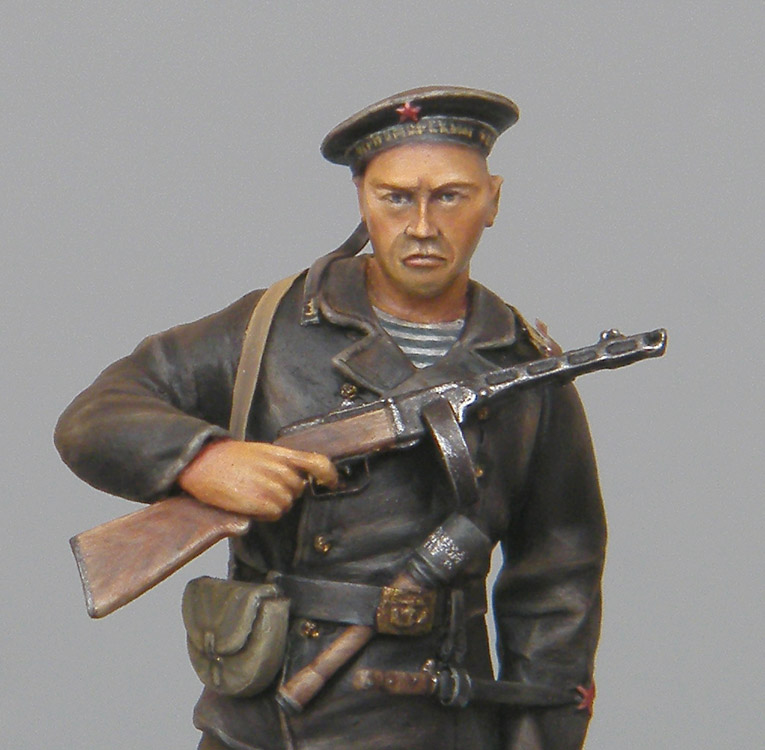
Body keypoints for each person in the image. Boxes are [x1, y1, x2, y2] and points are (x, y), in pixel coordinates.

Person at [55, 86, 606, 750]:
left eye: (450, 196)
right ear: (361, 199)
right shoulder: (267, 328)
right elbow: (95, 417)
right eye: (396, 197)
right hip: (264, 720)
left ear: (492, 201)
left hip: (436, 720)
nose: (422, 225)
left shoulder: (526, 368)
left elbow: (558, 577)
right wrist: (201, 459)